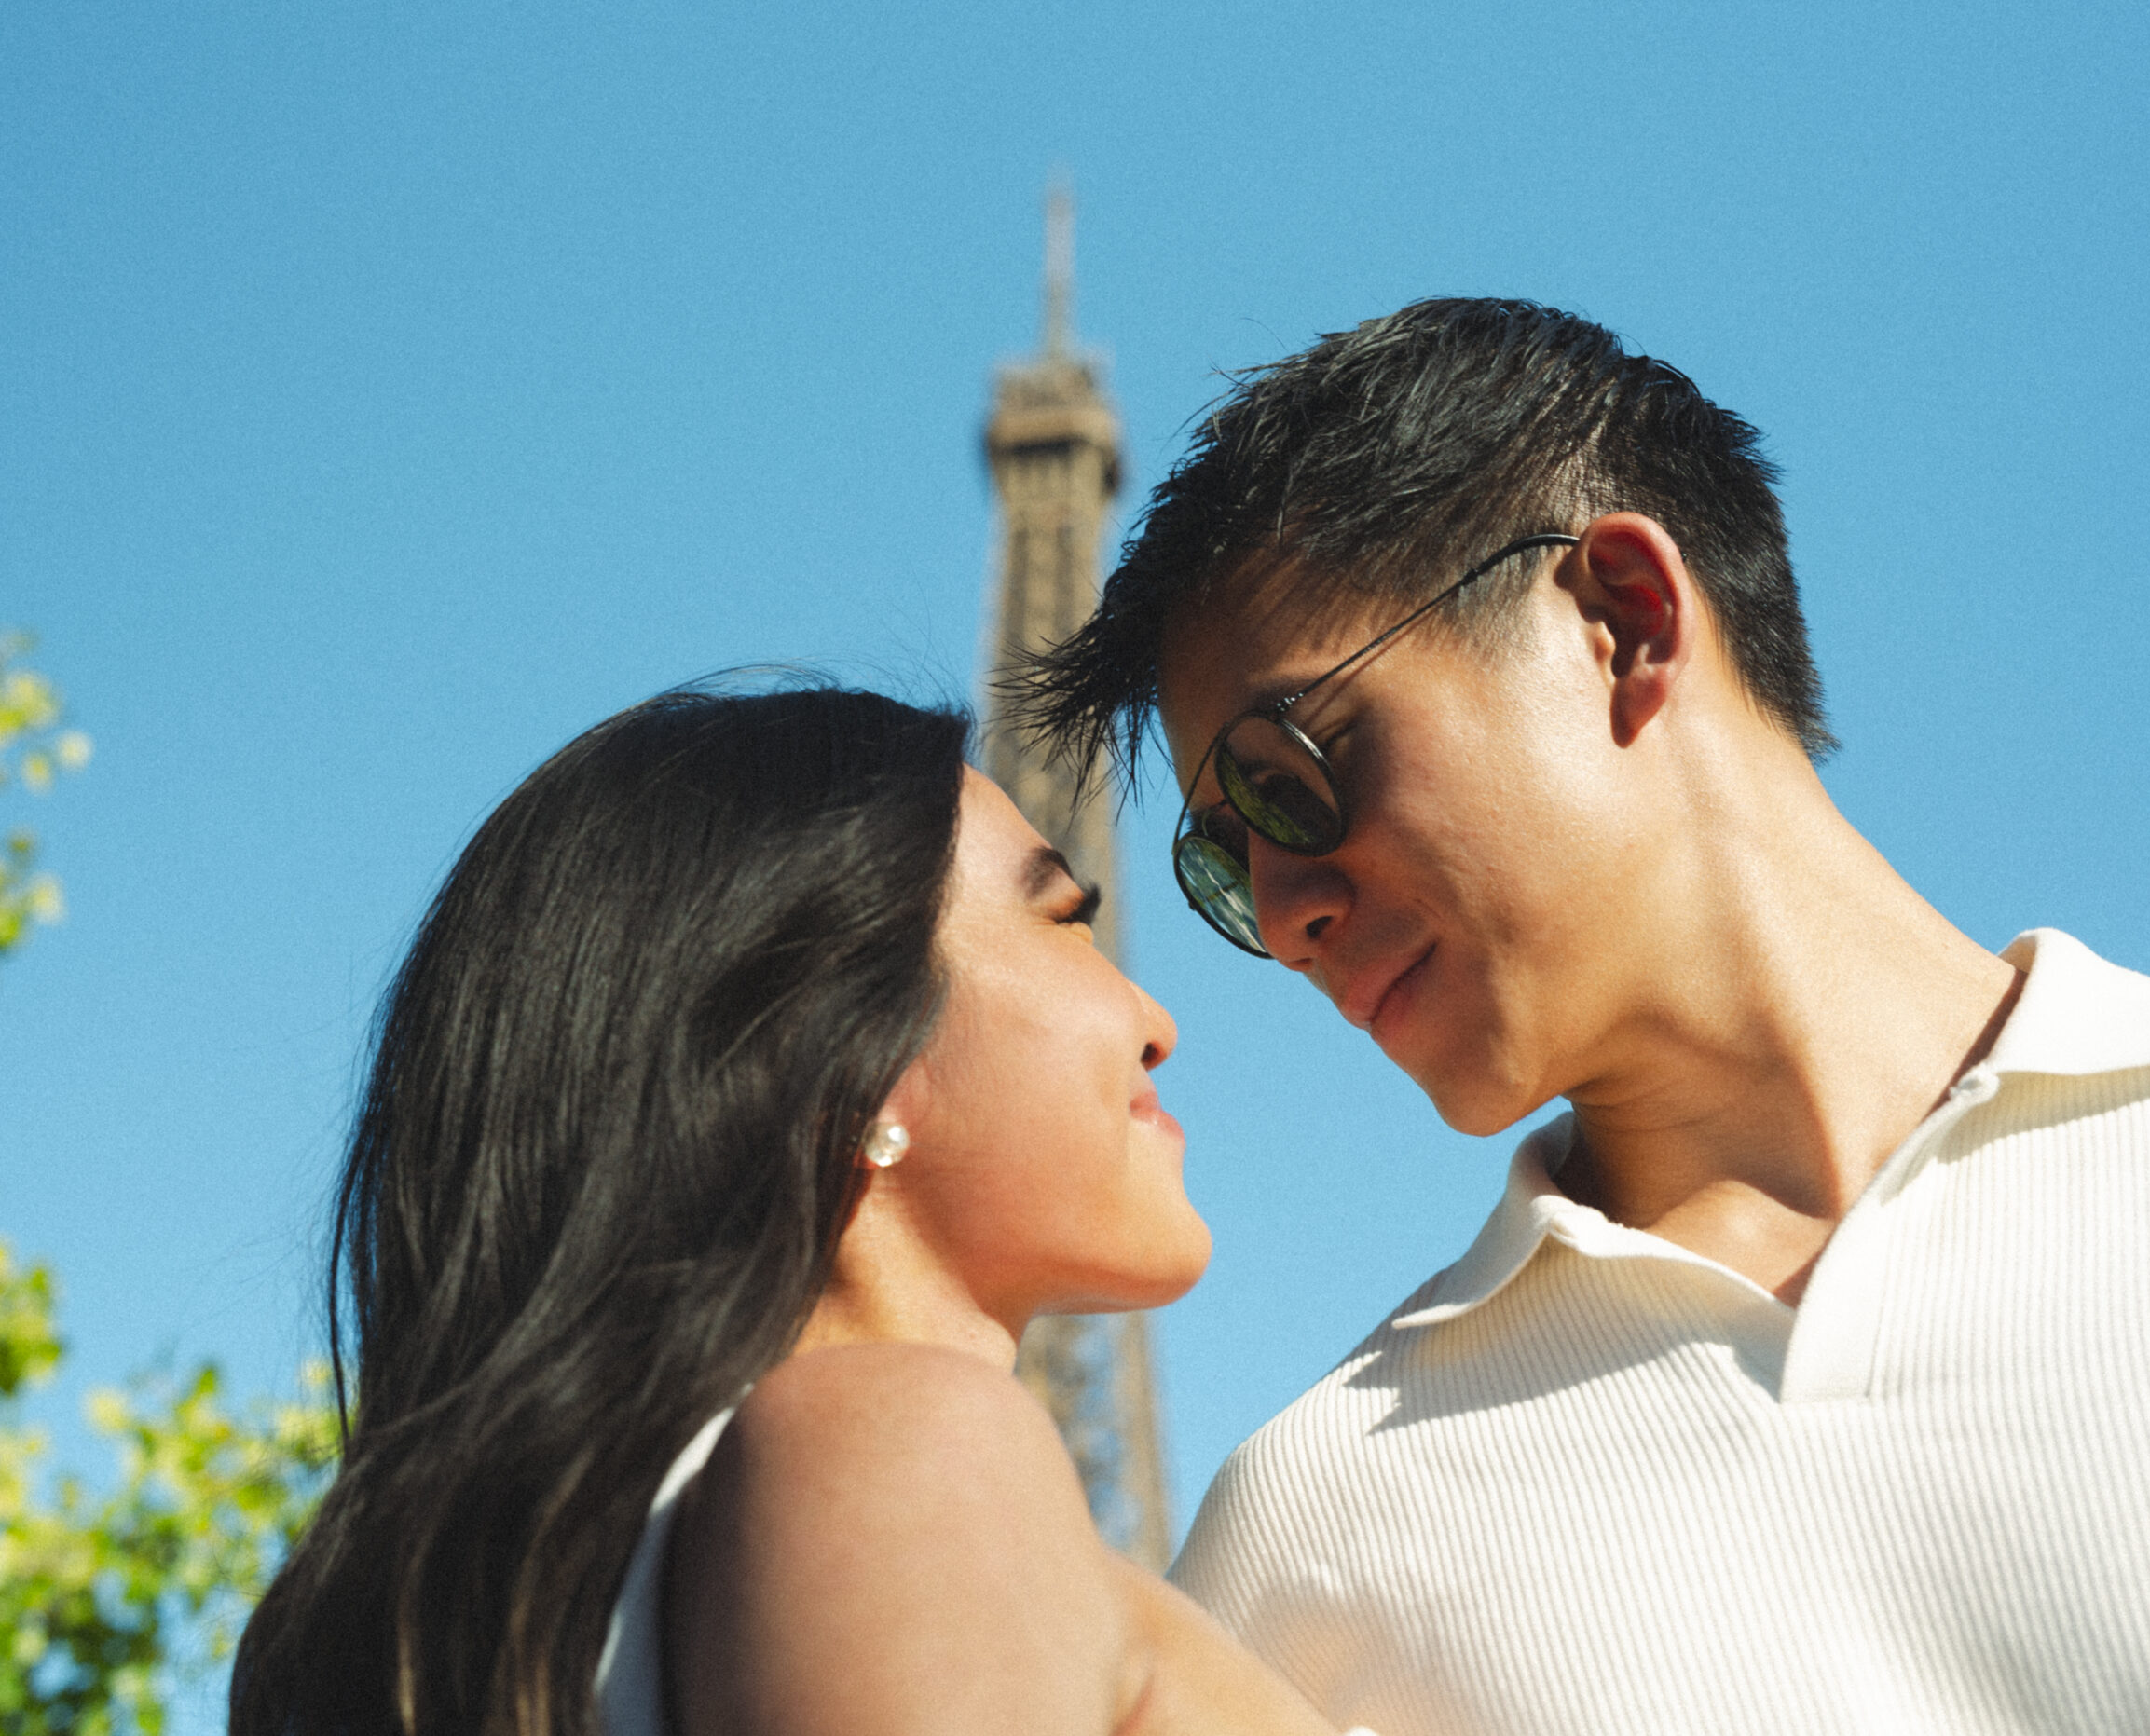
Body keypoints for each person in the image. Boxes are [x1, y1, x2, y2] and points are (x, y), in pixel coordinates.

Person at [1020, 298, 2150, 1734]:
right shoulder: (1308, 1537)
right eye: (1221, 863)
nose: (1286, 906)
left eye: (1295, 771)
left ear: (1625, 620)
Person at [228, 682, 1361, 1736]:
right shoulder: (897, 1448)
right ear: (852, 1060)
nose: (1155, 1018)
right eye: (1063, 918)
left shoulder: (640, 1572)